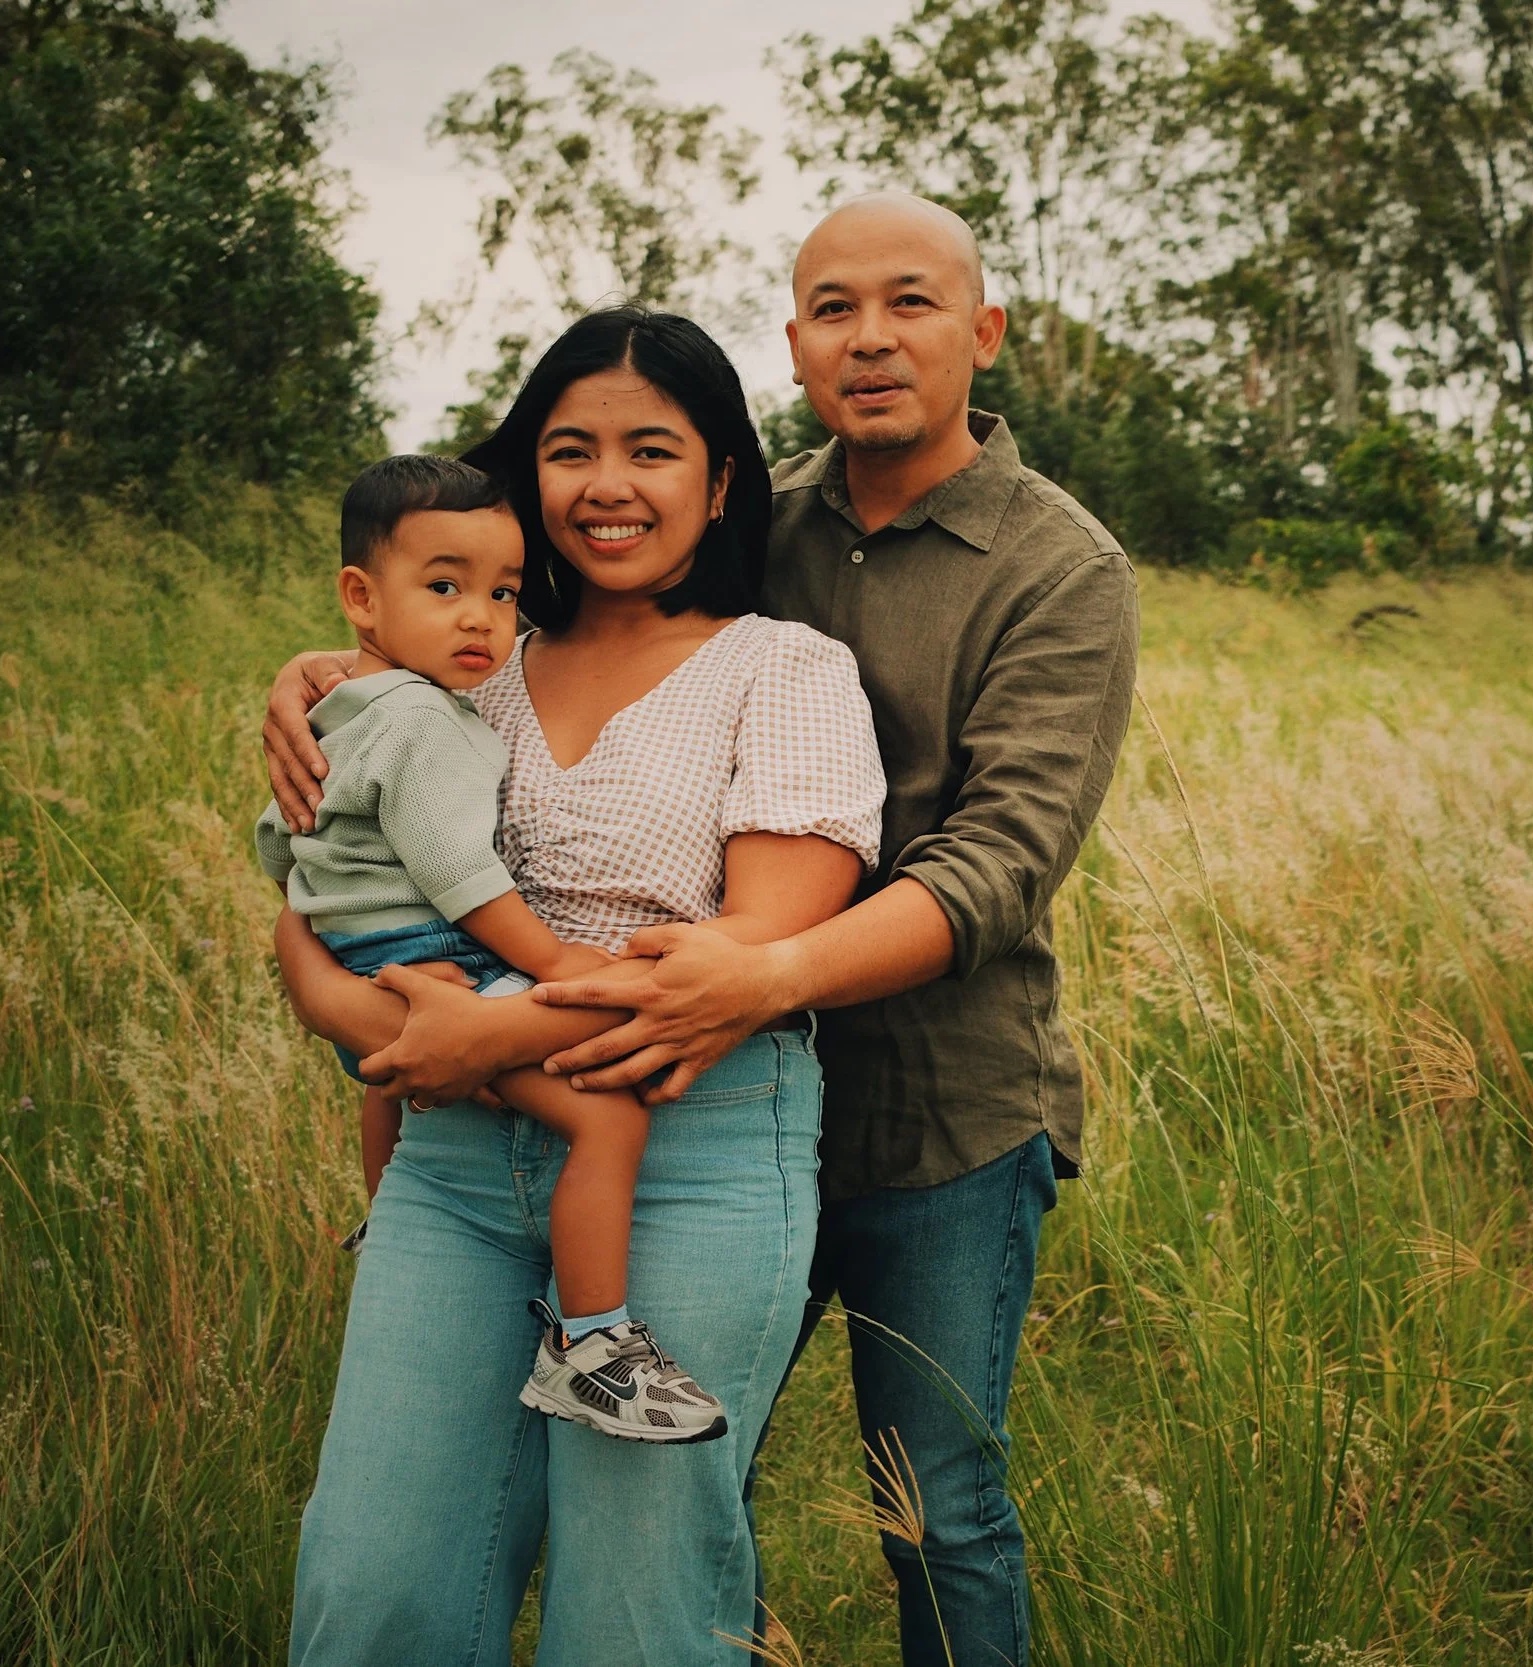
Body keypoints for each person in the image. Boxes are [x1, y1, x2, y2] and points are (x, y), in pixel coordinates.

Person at [267, 193, 1140, 1667]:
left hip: (898, 1095)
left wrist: (531, 1015)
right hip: (545, 1111)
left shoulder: (1051, 572)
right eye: (835, 308)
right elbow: (354, 853)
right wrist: (339, 674)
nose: (872, 337)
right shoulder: (699, 547)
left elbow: (989, 866)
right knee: (454, 1560)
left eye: (912, 302)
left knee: (921, 1504)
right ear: (794, 343)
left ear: (983, 331)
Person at [271, 308, 887, 1664]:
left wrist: (476, 1025)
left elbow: (719, 972)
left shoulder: (783, 671)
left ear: (722, 480)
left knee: (637, 1609)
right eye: (569, 449)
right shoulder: (460, 670)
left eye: (651, 449)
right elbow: (323, 908)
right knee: (372, 1591)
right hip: (448, 1161)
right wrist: (353, 1011)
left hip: (693, 1147)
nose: (607, 484)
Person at [252, 451, 726, 1443]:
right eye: (444, 586)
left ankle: (386, 1214)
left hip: (361, 960)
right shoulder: (427, 720)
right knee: (605, 1119)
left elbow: (278, 836)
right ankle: (591, 1344)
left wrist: (337, 926)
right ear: (359, 597)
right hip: (435, 954)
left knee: (391, 1079)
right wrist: (557, 963)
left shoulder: (338, 710)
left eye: (502, 592)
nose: (480, 616)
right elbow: (461, 872)